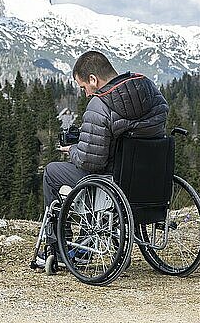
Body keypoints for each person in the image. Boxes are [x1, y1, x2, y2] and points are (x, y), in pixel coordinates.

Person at [41, 50, 169, 253]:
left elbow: (90, 162)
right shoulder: (152, 92)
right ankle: (84, 245)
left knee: (52, 172)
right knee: (95, 174)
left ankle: (59, 247)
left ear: (93, 79)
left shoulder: (99, 105)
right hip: (149, 179)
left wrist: (73, 149)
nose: (86, 93)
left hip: (113, 182)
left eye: (84, 87)